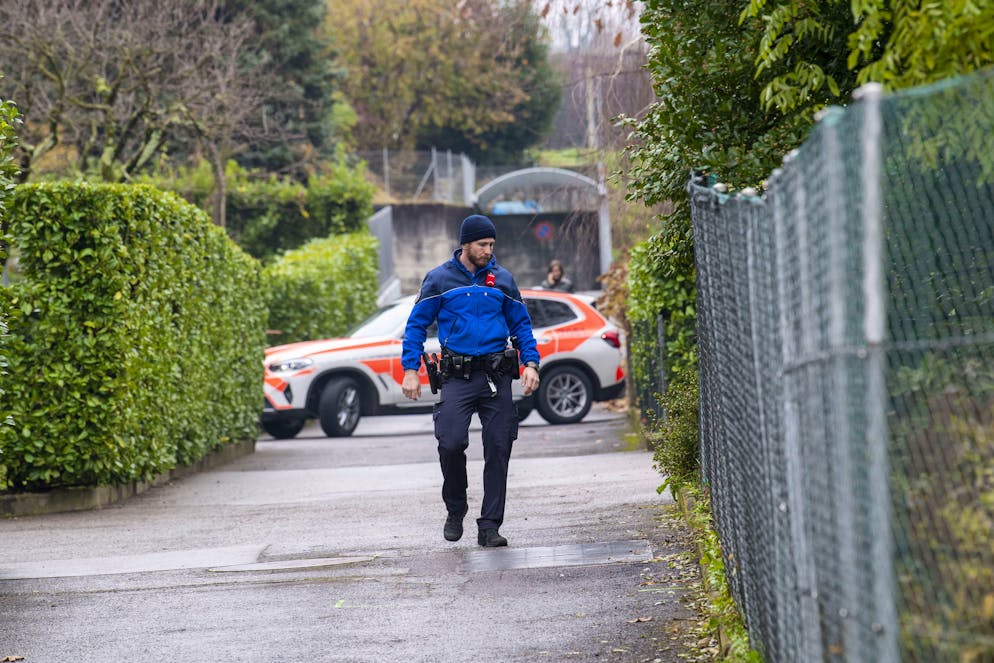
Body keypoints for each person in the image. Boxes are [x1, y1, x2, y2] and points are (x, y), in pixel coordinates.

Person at [401, 214, 541, 548]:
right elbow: (415, 326)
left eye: (491, 245)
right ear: (465, 244)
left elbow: (521, 325)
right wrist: (410, 369)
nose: (488, 251)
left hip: (495, 376)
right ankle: (456, 506)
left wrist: (531, 363)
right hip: (457, 376)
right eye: (482, 245)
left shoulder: (502, 279)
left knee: (498, 447)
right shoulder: (439, 279)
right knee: (450, 442)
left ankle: (489, 526)